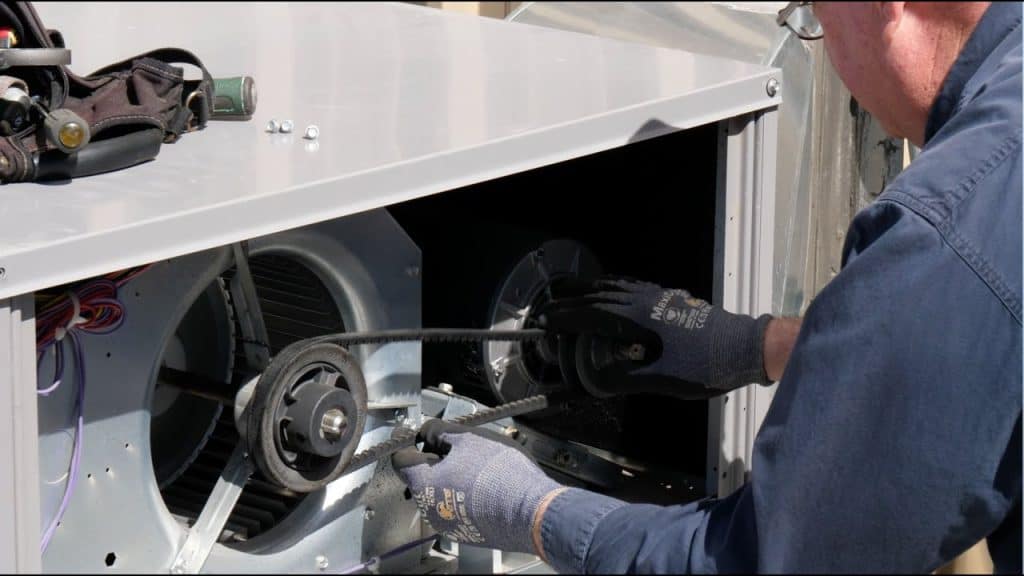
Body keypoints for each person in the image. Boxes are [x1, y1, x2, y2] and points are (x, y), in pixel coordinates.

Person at [392, 2, 1023, 572]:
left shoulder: (945, 227)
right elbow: (970, 344)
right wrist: (754, 345)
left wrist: (533, 512)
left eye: (817, 17)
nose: (827, 50)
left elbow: (761, 564)